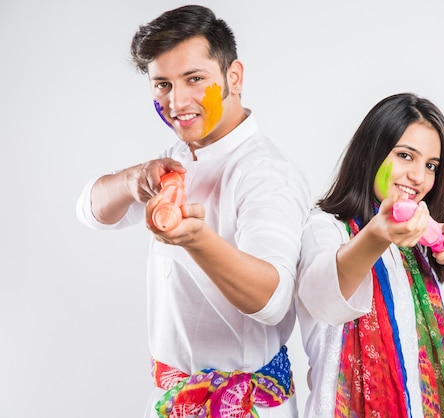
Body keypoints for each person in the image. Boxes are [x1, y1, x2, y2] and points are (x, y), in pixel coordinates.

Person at [76, 5, 310, 417]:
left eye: (194, 79)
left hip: (244, 406)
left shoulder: (266, 172)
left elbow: (273, 299)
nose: (176, 100)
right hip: (172, 398)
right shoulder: (177, 158)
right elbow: (91, 212)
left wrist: (198, 241)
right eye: (162, 84)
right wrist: (133, 180)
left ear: (233, 78)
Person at [295, 93, 444, 418]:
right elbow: (324, 297)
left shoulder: (419, 251)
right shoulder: (325, 229)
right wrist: (378, 233)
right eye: (406, 156)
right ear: (370, 154)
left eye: (431, 165)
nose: (419, 177)